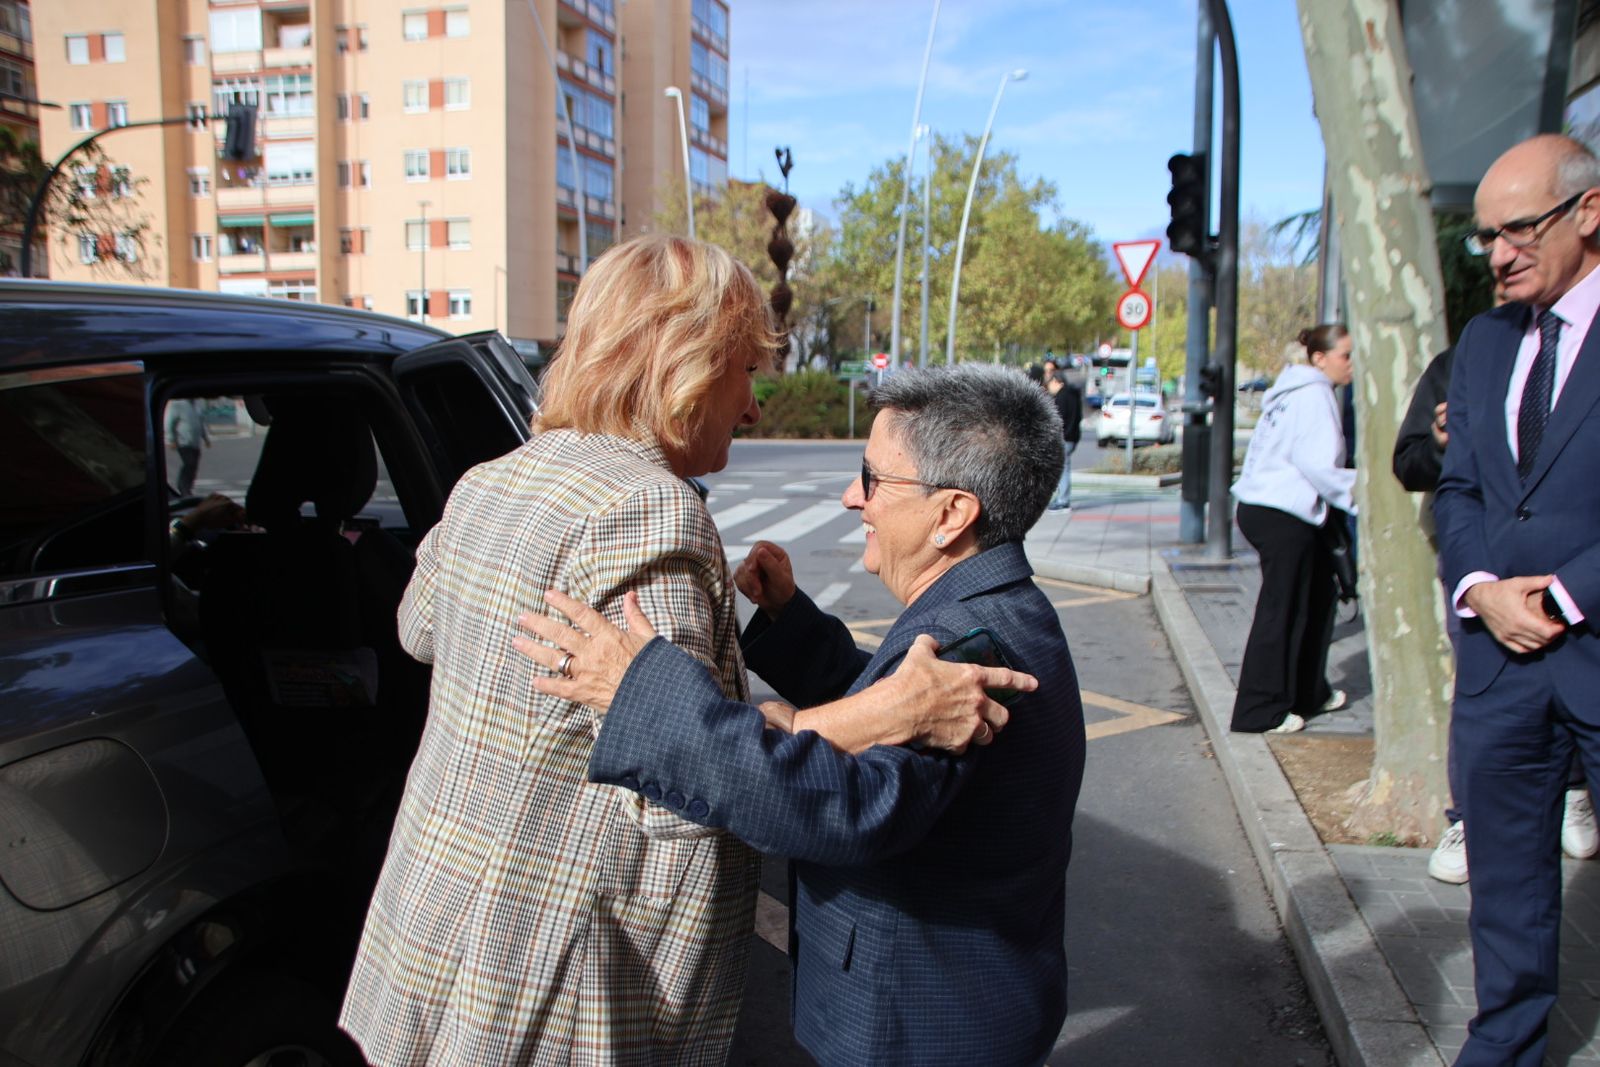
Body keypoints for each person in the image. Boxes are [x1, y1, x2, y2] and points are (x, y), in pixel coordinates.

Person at [337, 235, 1020, 1067]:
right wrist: (877, 712)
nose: (754, 408)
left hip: (433, 910)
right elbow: (700, 773)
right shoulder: (649, 507)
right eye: (746, 375)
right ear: (683, 365)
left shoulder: (494, 477)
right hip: (560, 964)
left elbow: (419, 627)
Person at [515, 364, 1085, 1067]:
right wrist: (792, 623)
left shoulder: (977, 654)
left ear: (951, 514)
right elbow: (889, 700)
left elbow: (843, 803)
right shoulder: (991, 606)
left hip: (923, 1029)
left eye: (873, 479)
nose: (853, 498)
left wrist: (635, 692)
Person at [1433, 133, 1600, 1066]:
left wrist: (1567, 595)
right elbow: (1460, 489)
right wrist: (1481, 590)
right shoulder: (1488, 341)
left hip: (1593, 646)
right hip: (1499, 667)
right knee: (1507, 888)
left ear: (1589, 210)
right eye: (1487, 236)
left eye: (1520, 229)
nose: (1499, 253)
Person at [1229, 324, 1356, 734]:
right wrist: (1361, 494)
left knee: (1319, 597)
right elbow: (1320, 464)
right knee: (1282, 611)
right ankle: (1259, 710)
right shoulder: (1316, 394)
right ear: (1320, 358)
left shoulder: (1289, 391)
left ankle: (1309, 692)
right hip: (1285, 513)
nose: (1352, 364)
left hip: (1264, 506)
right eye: (1346, 355)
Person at [1046, 370, 1082, 510]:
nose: (1049, 388)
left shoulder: (1061, 398)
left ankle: (1063, 500)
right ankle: (1062, 498)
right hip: (1072, 437)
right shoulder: (1074, 395)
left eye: (1050, 384)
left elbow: (1057, 420)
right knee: (1063, 468)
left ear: (1056, 382)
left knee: (1063, 470)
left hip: (1063, 437)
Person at [164, 397, 209, 496]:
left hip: (195, 442)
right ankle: (183, 486)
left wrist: (205, 438)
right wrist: (171, 439)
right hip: (183, 441)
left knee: (193, 467)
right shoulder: (178, 404)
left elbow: (201, 423)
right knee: (189, 463)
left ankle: (188, 487)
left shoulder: (197, 405)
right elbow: (170, 422)